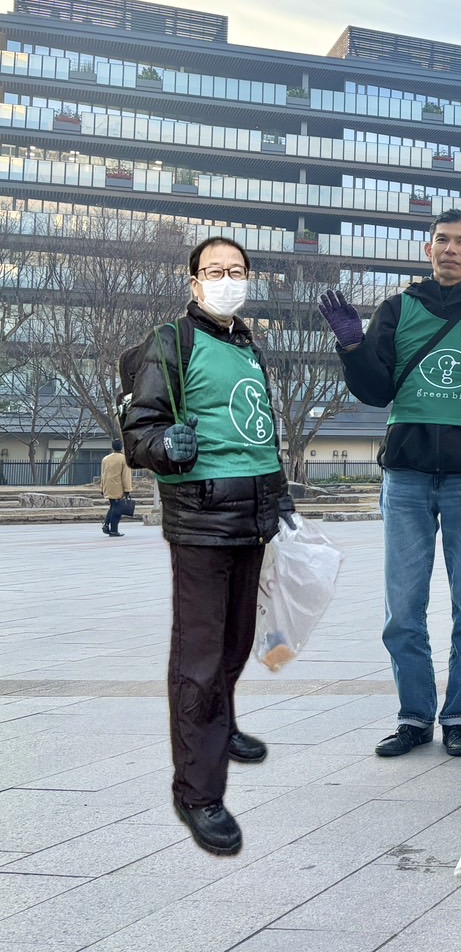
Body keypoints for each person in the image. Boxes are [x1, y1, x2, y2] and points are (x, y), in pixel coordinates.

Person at [319, 209, 461, 759]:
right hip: (408, 474)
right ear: (427, 248)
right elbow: (374, 388)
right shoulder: (398, 309)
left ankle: (460, 716)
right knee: (402, 608)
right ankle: (414, 716)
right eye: (442, 240)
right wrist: (351, 346)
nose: (452, 249)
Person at [122, 236, 293, 856]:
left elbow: (257, 429)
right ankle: (197, 792)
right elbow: (140, 427)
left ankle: (214, 725)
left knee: (238, 639)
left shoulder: (247, 344)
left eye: (237, 270)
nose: (227, 279)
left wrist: (278, 491)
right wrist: (164, 445)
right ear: (193, 281)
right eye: (214, 271)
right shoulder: (174, 340)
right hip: (200, 521)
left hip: (251, 519)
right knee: (198, 655)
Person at [100, 438, 132, 537]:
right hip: (118, 487)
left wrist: (102, 488)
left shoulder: (106, 459)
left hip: (108, 486)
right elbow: (126, 476)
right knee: (117, 509)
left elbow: (103, 475)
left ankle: (106, 524)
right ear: (121, 447)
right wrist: (127, 489)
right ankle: (114, 530)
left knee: (113, 506)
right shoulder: (124, 459)